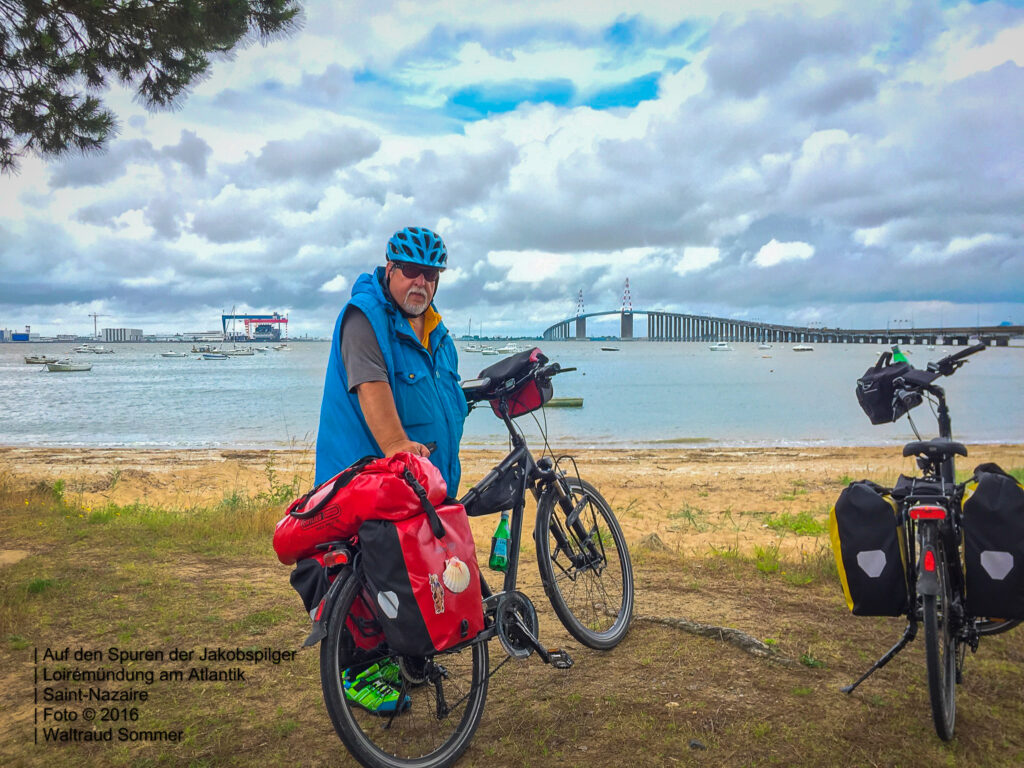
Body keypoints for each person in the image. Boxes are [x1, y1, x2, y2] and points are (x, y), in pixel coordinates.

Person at [314, 226, 468, 713]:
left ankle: (401, 658)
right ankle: (358, 673)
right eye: (410, 272)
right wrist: (400, 446)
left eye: (430, 274)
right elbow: (371, 388)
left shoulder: (436, 333)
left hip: (413, 487)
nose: (419, 283)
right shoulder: (366, 319)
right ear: (389, 269)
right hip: (364, 477)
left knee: (407, 576)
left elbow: (446, 395)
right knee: (368, 576)